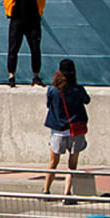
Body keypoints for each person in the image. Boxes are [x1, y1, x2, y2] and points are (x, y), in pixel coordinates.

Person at [43, 59, 91, 197]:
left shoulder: (52, 90)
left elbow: (49, 105)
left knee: (53, 162)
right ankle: (67, 193)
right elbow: (87, 100)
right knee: (72, 165)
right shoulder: (78, 89)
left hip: (58, 131)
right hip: (75, 130)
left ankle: (46, 190)